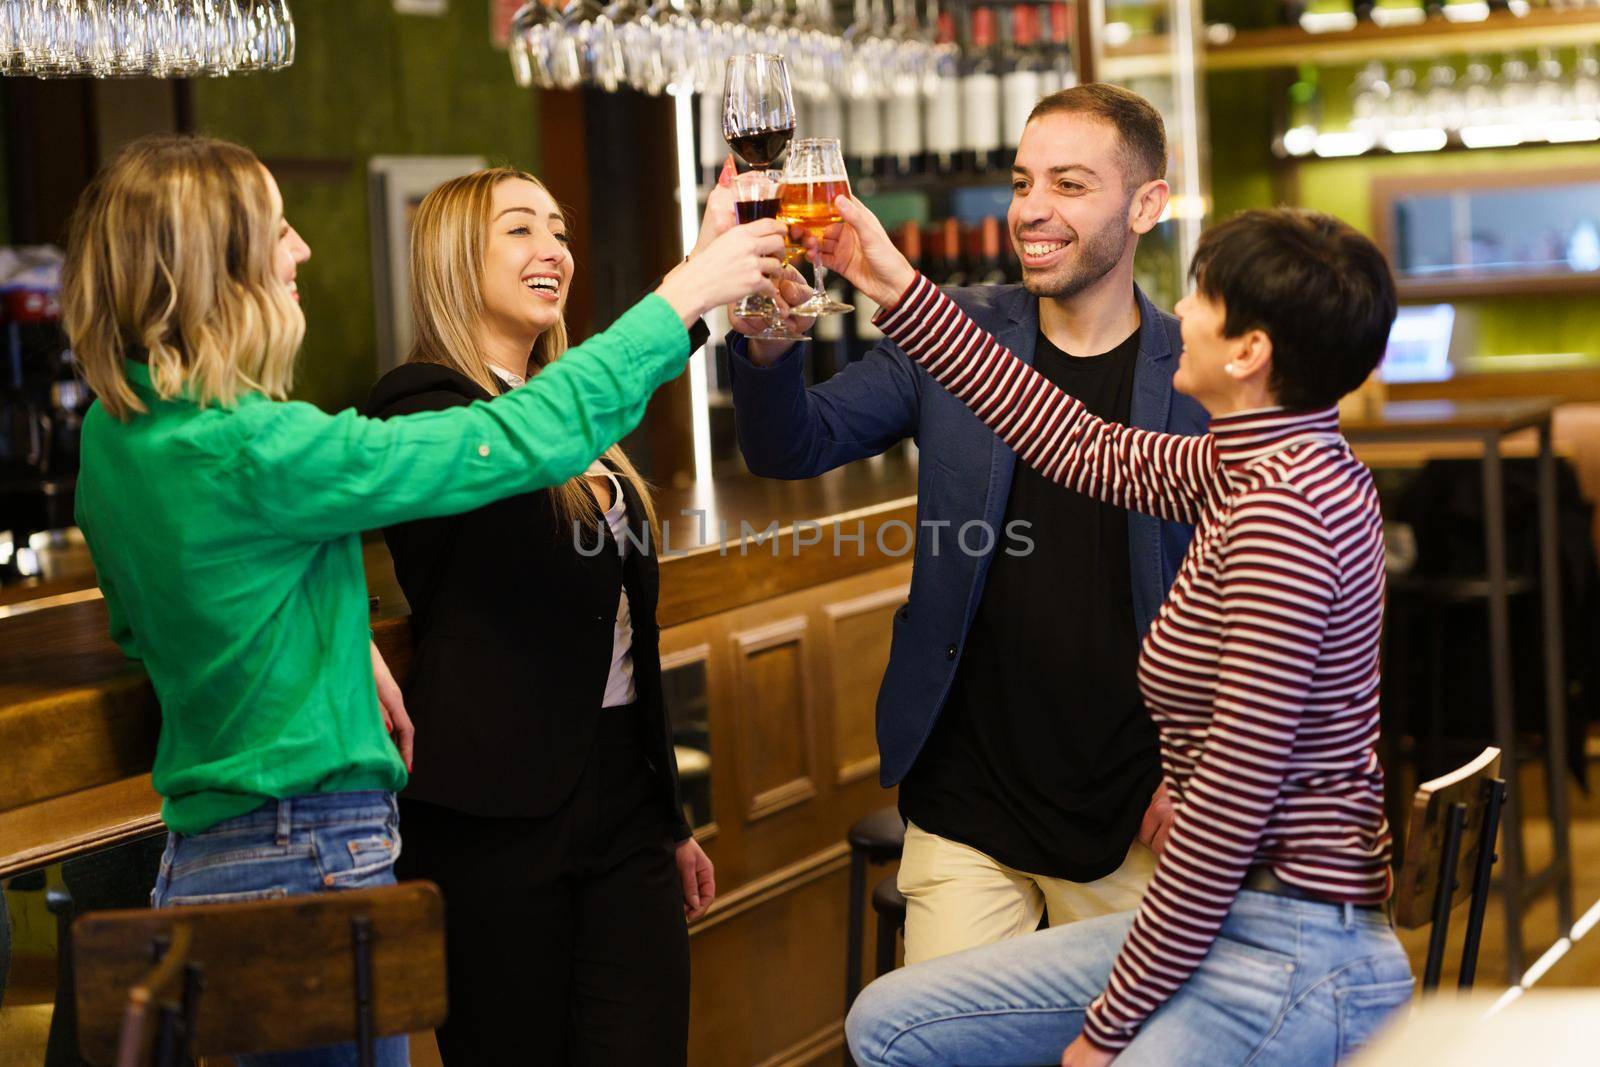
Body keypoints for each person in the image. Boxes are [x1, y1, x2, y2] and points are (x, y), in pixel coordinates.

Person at [60, 133, 784, 1067]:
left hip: (202, 858)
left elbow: (149, 622)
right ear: (216, 265)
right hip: (312, 855)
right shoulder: (260, 444)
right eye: (279, 232)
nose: (302, 251)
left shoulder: (114, 442)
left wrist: (333, 635)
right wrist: (689, 290)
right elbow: (522, 439)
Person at [819, 198, 1410, 1066]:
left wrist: (1106, 1030)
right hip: (1243, 922)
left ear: (1249, 353)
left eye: (1203, 299)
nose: (1182, 313)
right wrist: (896, 286)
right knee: (890, 1019)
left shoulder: (1285, 512)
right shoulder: (1252, 466)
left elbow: (1228, 812)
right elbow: (1076, 440)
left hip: (1291, 945)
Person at [727, 85, 1208, 963]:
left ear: (1146, 204)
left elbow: (1242, 608)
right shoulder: (959, 329)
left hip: (1133, 804)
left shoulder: (1195, 377)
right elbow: (795, 445)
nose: (1032, 212)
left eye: (1069, 185)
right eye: (1024, 183)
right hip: (965, 796)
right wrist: (767, 341)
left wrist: (1200, 769)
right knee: (932, 1040)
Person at [363, 166, 733, 1066]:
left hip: (625, 806)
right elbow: (518, 470)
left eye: (561, 231)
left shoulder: (578, 419)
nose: (553, 251)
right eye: (521, 230)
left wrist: (667, 813)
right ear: (457, 259)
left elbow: (627, 643)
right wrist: (695, 286)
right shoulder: (421, 405)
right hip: (493, 818)